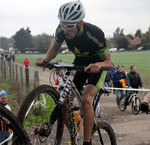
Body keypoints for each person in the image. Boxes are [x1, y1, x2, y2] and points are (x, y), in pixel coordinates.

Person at [36, 1, 113, 144]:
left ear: (80, 23)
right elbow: (55, 47)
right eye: (63, 24)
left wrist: (99, 64)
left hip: (97, 65)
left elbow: (109, 63)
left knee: (86, 100)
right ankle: (75, 135)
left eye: (70, 26)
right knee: (63, 102)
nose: (66, 29)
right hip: (79, 64)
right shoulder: (61, 30)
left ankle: (87, 141)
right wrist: (45, 60)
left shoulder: (94, 33)